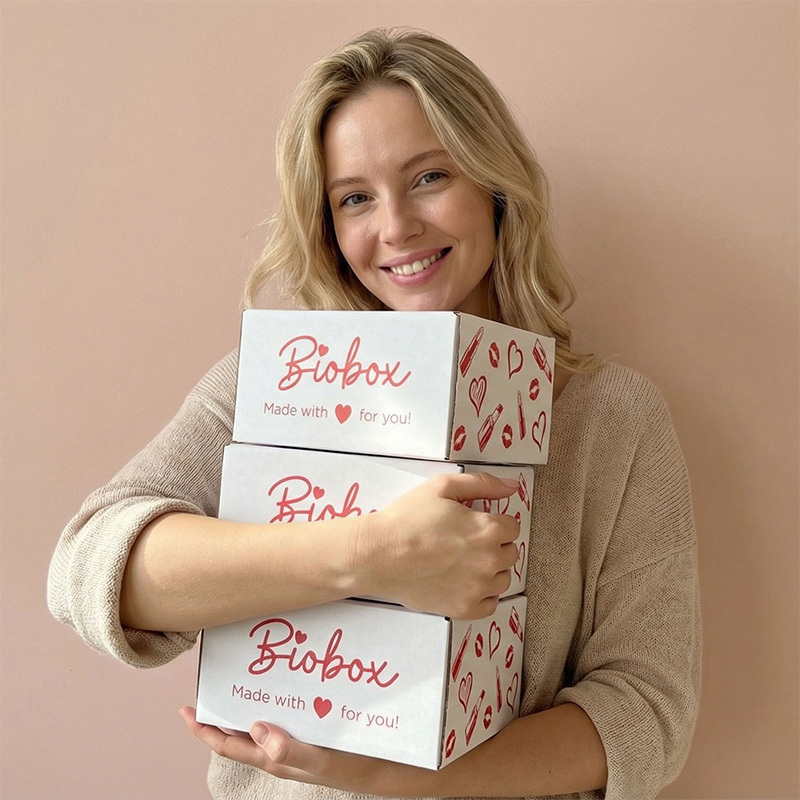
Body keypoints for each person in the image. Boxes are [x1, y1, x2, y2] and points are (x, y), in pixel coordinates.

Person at [47, 28, 701, 800]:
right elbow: (88, 569)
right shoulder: (273, 386)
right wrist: (372, 554)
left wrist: (384, 773)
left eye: (429, 177)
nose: (395, 227)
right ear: (328, 226)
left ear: (494, 186)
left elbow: (647, 711)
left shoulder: (612, 418)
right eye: (354, 197)